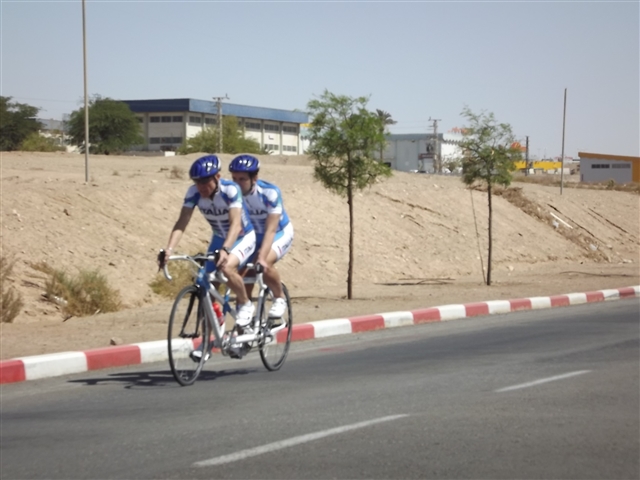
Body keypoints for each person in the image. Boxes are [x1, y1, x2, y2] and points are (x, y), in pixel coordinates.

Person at [158, 154, 257, 330]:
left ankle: (245, 303)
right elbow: (182, 222)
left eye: (205, 182)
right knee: (205, 286)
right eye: (197, 182)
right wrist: (169, 249)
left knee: (226, 268)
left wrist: (226, 250)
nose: (201, 187)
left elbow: (235, 225)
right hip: (219, 237)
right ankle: (209, 342)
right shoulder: (193, 193)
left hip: (242, 236)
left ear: (217, 177)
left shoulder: (230, 190)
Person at [228, 154, 294, 318]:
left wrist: (262, 256)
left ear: (254, 178)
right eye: (234, 178)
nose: (237, 183)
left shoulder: (269, 192)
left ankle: (279, 298)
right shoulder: (232, 194)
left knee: (264, 262)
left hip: (279, 232)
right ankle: (244, 330)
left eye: (242, 179)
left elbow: (271, 230)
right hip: (253, 236)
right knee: (241, 279)